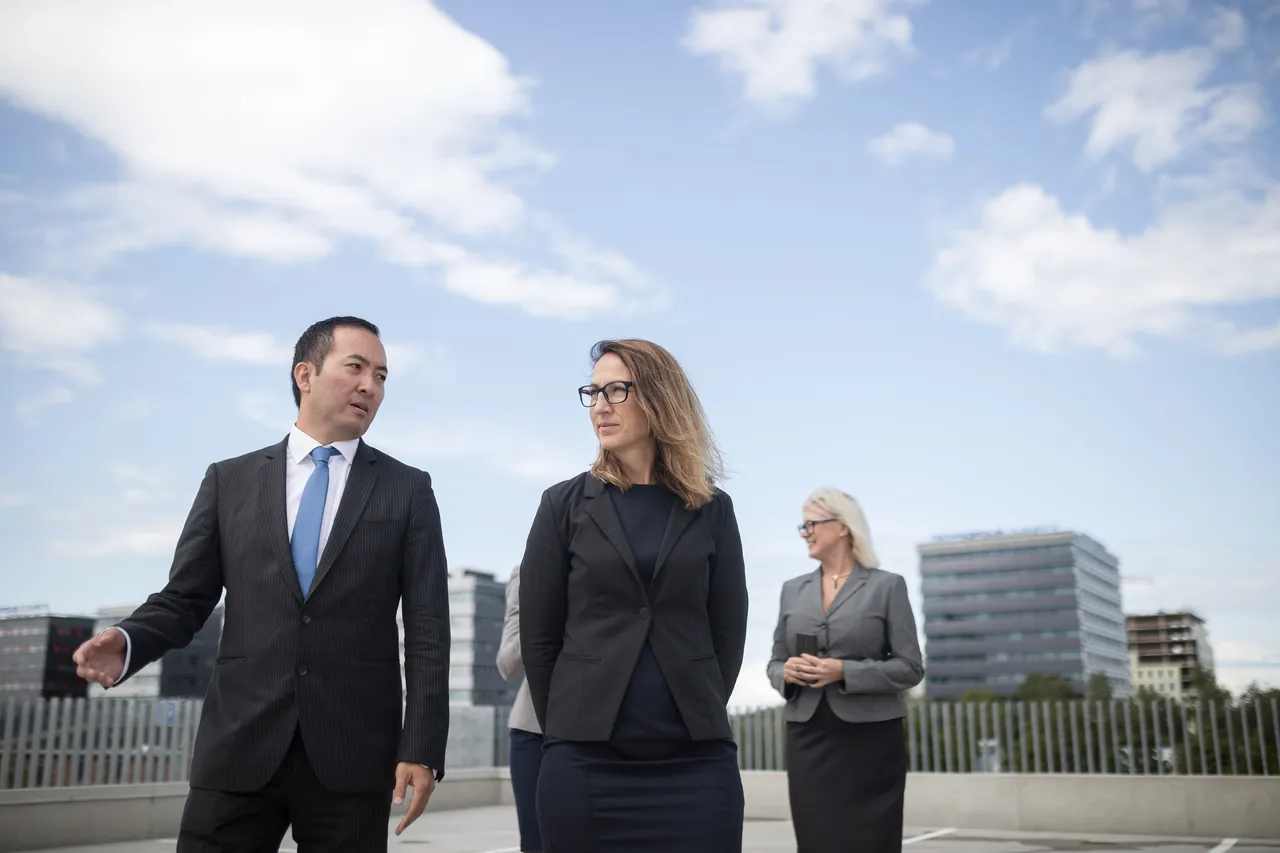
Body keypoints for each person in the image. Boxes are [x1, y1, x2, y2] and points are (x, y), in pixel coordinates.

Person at [72, 316, 450, 853]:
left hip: (353, 752)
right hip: (239, 744)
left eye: (383, 376)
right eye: (357, 368)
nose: (372, 386)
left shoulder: (407, 489)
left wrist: (422, 746)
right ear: (306, 374)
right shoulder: (230, 481)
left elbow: (429, 627)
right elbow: (187, 597)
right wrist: (131, 639)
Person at [518, 338, 749, 853]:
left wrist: (697, 696)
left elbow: (728, 630)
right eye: (593, 392)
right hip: (584, 764)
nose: (600, 405)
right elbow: (539, 636)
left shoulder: (712, 508)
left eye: (617, 390)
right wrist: (565, 728)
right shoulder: (563, 505)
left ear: (660, 397)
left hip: (696, 764)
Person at [767, 488, 924, 853]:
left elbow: (911, 668)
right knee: (816, 837)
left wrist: (844, 671)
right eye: (802, 526)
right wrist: (785, 673)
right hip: (808, 735)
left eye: (811, 524)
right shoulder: (792, 590)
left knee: (871, 839)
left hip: (870, 739)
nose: (805, 532)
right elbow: (774, 662)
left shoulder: (887, 586)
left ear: (842, 527)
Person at [496, 562, 544, 853]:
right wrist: (541, 605)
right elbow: (508, 666)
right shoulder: (527, 575)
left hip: (604, 733)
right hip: (534, 735)